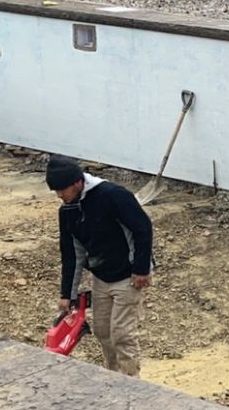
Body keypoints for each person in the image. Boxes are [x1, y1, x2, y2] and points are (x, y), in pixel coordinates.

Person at [47, 156, 153, 377]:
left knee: (122, 334)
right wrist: (67, 293)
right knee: (103, 331)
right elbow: (71, 253)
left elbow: (142, 228)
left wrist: (141, 269)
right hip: (101, 277)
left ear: (77, 182)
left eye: (62, 190)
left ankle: (132, 383)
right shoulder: (67, 210)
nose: (59, 195)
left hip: (129, 275)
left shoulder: (112, 195)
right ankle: (115, 377)